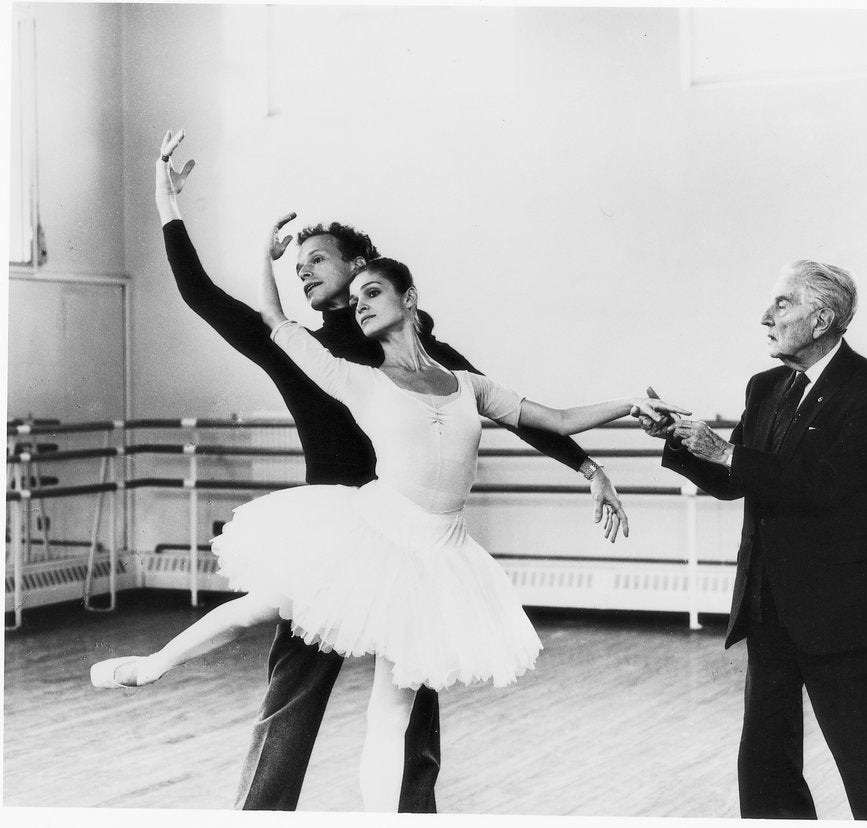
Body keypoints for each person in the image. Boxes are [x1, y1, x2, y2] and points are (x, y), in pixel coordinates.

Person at [92, 228, 688, 811]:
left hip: (430, 552)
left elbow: (542, 418)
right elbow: (255, 315)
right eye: (302, 267)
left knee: (402, 712)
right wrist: (188, 216)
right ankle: (181, 705)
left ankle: (405, 816)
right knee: (277, 644)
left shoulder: (453, 374)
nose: (310, 273)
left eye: (324, 261)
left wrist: (597, 456)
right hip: (349, 531)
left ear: (377, 276)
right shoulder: (342, 367)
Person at [642, 261, 867, 820]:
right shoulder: (767, 386)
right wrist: (682, 444)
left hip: (842, 611)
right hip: (768, 605)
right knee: (766, 763)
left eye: (780, 305)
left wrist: (726, 451)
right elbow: (735, 480)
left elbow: (830, 487)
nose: (764, 318)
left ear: (821, 319)